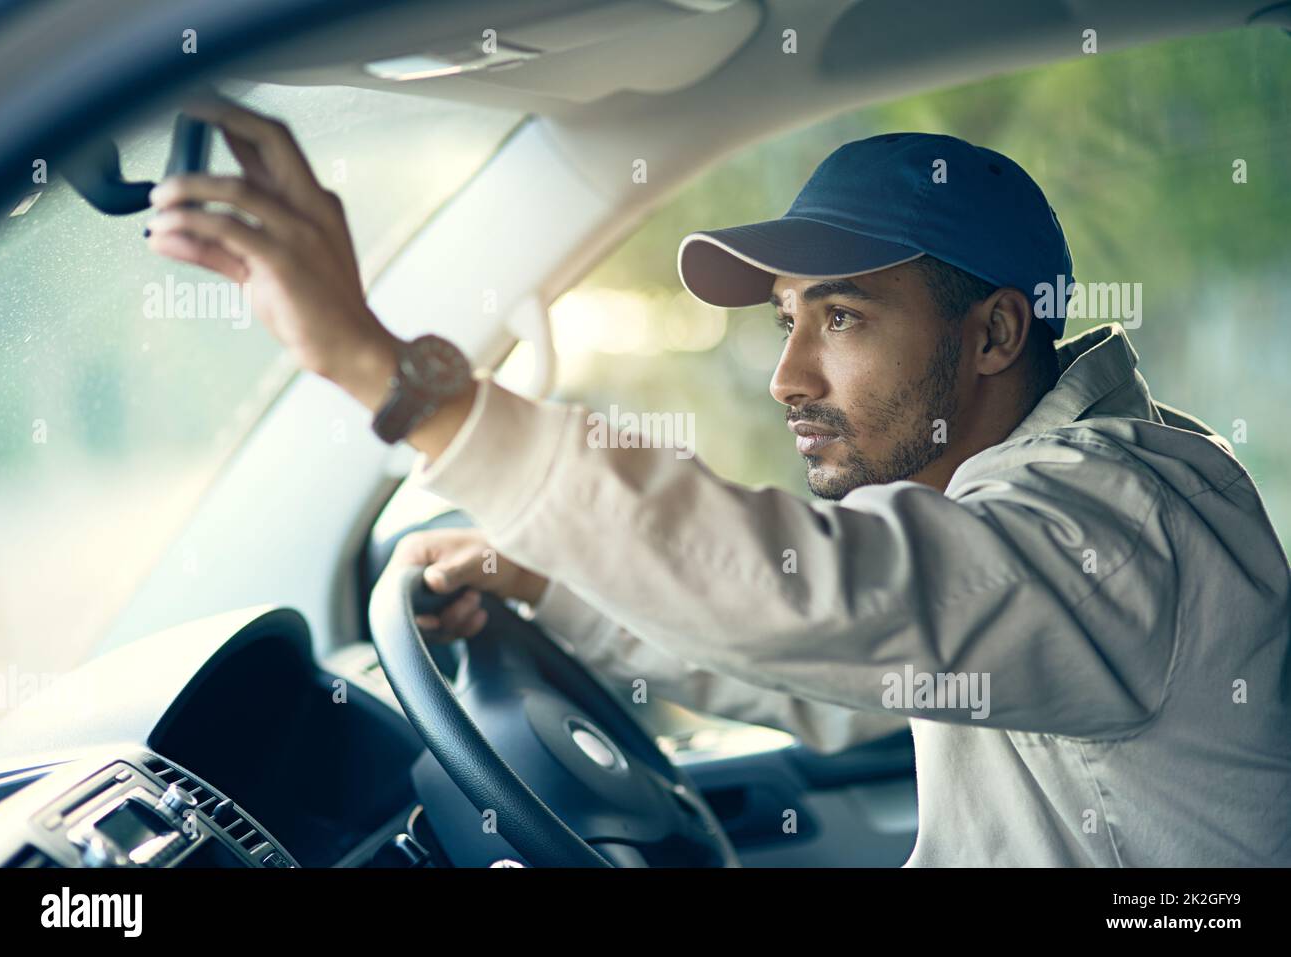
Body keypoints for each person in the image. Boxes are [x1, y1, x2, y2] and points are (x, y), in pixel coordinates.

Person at [146, 98, 1291, 867]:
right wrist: (553, 589)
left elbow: (812, 598)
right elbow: (832, 672)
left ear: (994, 335)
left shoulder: (1117, 521)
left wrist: (394, 377)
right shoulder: (1012, 524)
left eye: (840, 318)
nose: (787, 373)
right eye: (789, 320)